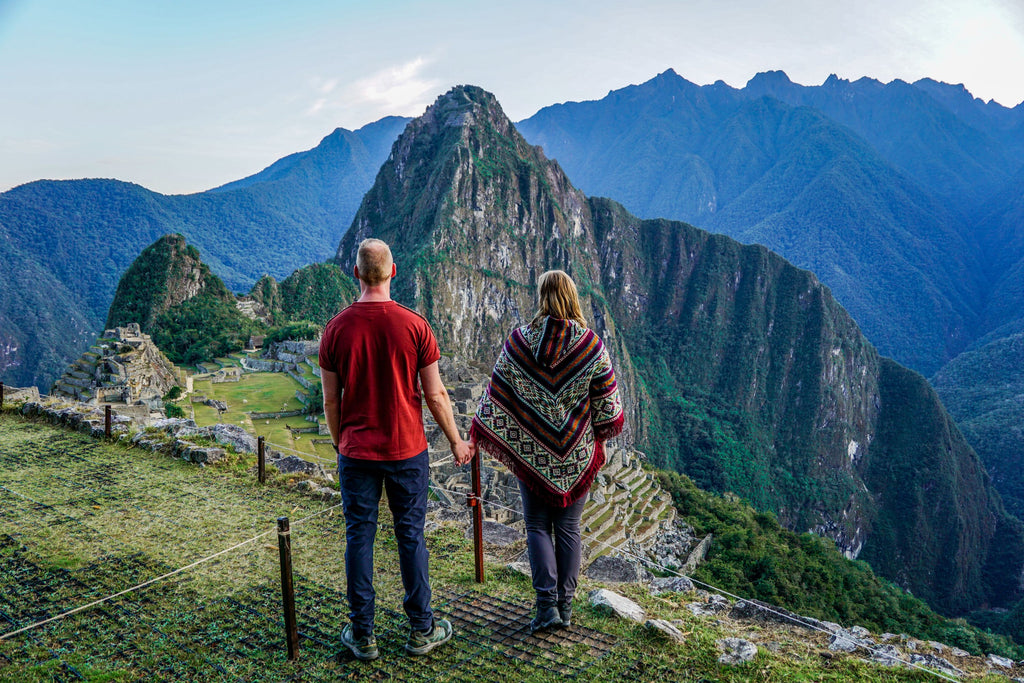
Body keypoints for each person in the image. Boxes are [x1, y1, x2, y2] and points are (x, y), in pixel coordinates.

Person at [320, 238, 473, 661]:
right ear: (393, 271)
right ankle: (421, 629)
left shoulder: (336, 329)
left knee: (359, 537)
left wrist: (340, 441)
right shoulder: (415, 326)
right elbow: (437, 395)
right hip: (407, 452)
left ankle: (363, 633)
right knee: (410, 536)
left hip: (357, 453)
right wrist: (457, 441)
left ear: (355, 273)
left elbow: (331, 400)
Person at [470, 269, 624, 632]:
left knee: (537, 526)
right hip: (577, 455)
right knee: (569, 529)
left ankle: (545, 608)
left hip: (533, 456)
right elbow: (608, 409)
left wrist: (487, 434)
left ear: (541, 297)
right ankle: (565, 608)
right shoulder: (591, 346)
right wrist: (590, 433)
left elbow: (495, 400)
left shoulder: (519, 343)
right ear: (572, 296)